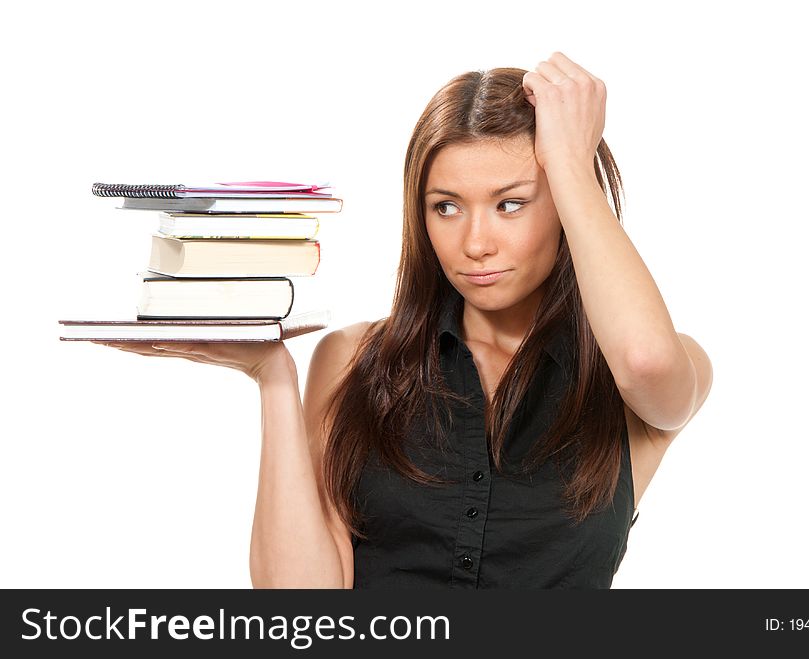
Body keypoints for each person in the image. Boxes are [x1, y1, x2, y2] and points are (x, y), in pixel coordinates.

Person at [98, 52, 713, 589]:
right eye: (446, 207)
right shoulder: (356, 360)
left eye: (511, 204)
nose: (476, 242)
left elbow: (645, 359)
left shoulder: (646, 379)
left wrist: (572, 161)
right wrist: (273, 377)